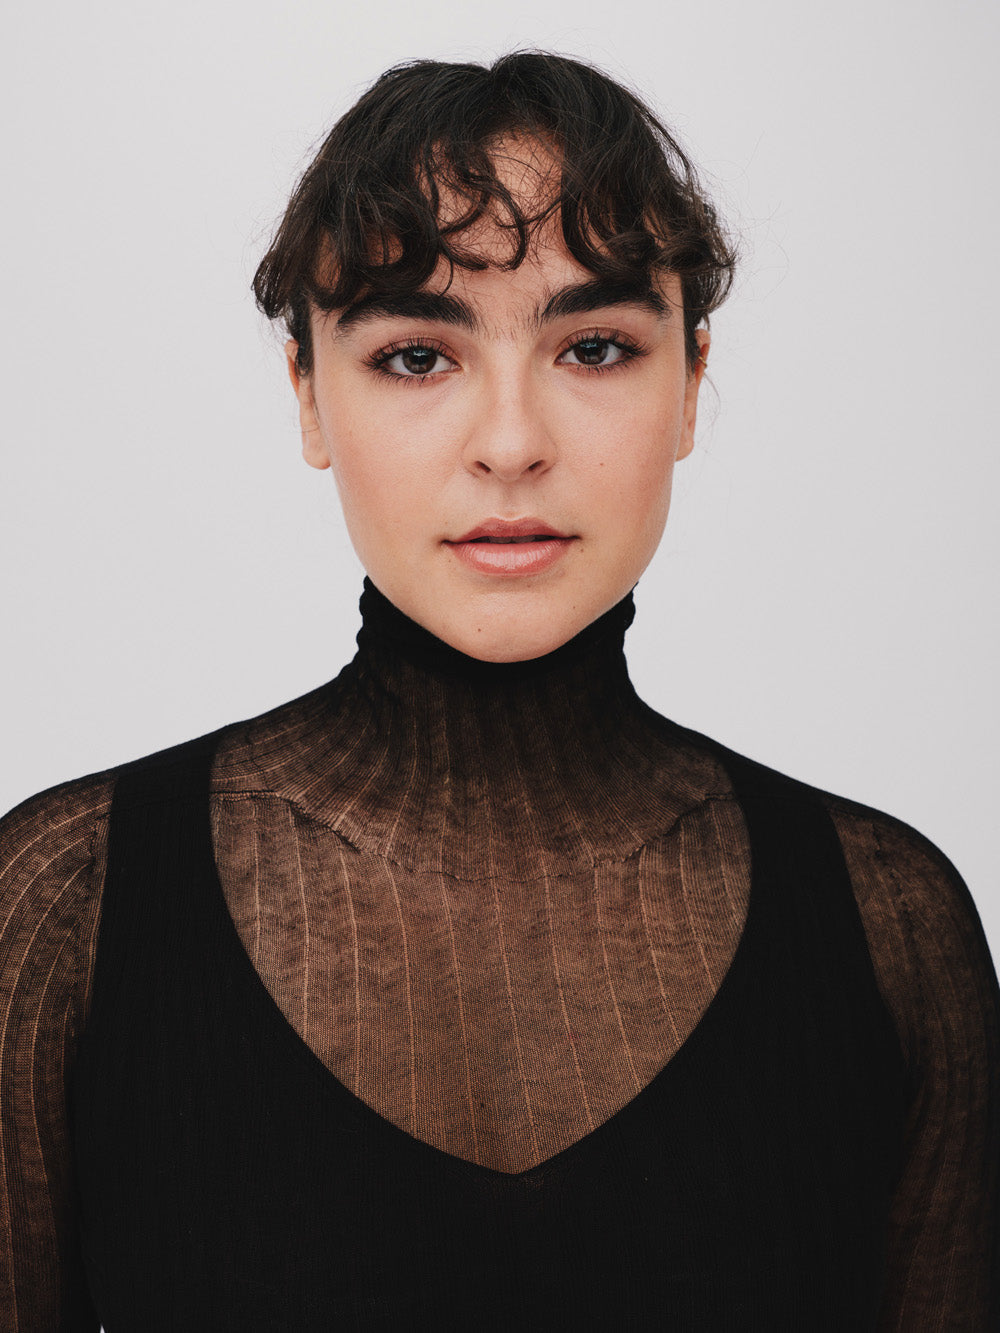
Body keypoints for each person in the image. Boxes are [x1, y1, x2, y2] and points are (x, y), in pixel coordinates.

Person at [1, 51, 997, 1331]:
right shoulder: (63, 909)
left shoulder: (890, 931)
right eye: (417, 356)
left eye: (593, 346)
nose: (513, 440)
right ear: (308, 394)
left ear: (692, 381)